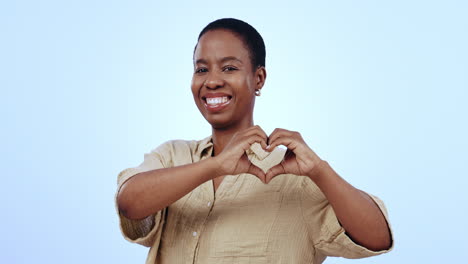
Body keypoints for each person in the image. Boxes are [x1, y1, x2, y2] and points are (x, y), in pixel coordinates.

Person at [115, 18, 393, 264]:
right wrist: (216, 166)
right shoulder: (172, 156)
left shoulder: (293, 173)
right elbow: (129, 202)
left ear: (258, 78)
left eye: (229, 68)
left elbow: (378, 238)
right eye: (201, 70)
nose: (211, 81)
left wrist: (321, 170)